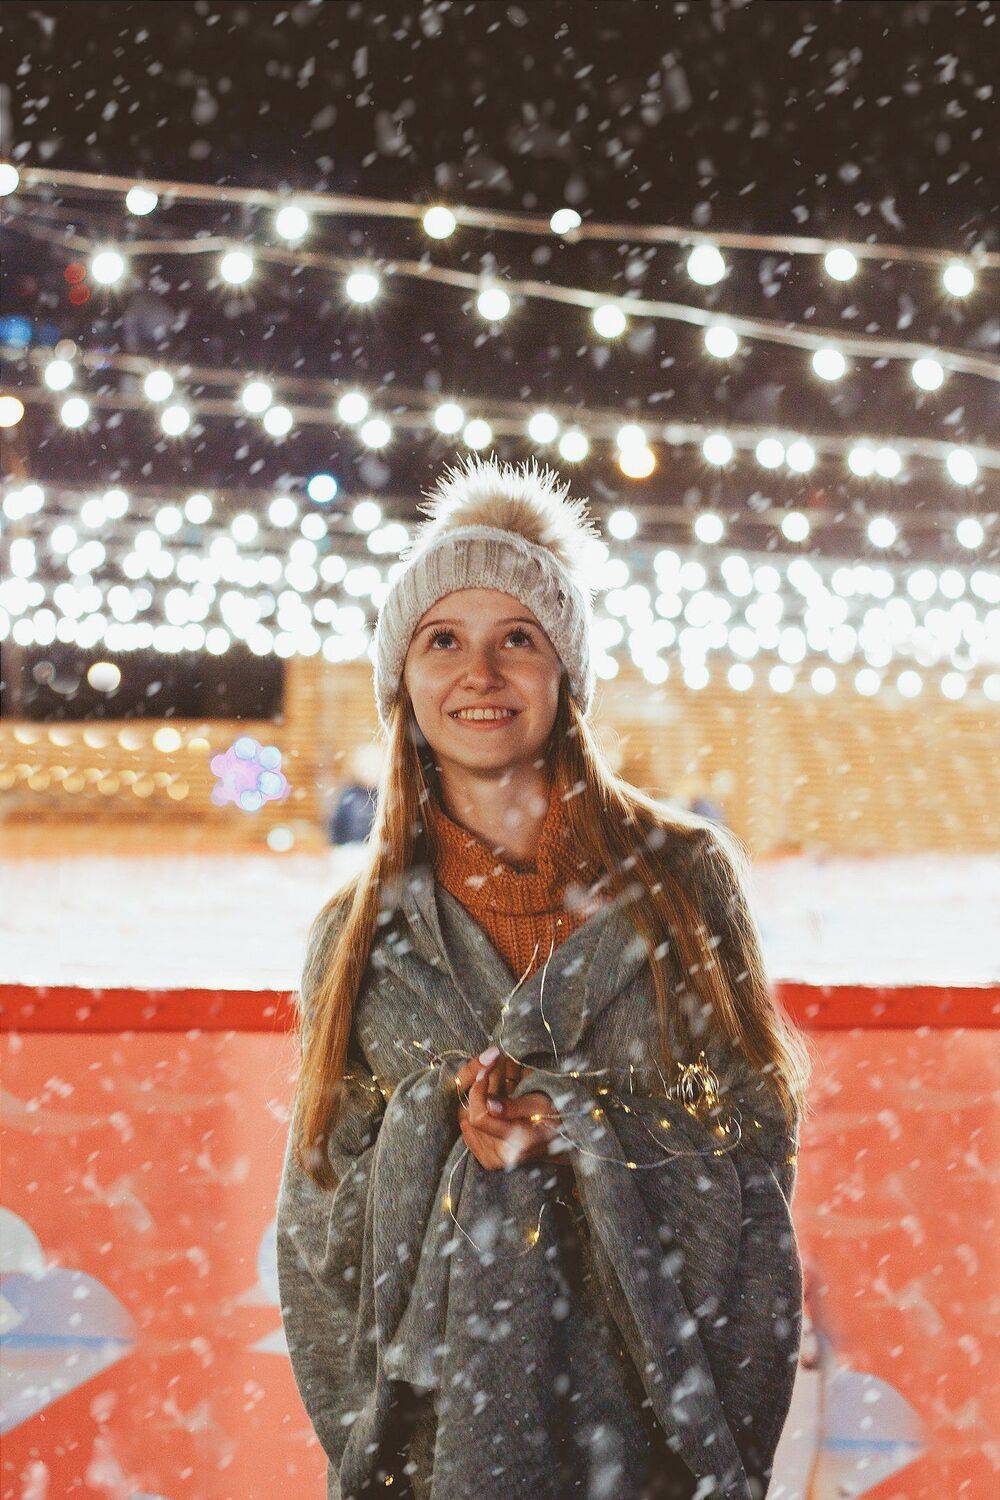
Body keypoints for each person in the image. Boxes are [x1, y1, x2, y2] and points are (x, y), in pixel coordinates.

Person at [276, 453, 812, 1500]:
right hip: (443, 1453)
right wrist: (438, 1126)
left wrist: (581, 1130)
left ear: (566, 672)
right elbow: (320, 1221)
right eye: (443, 640)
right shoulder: (356, 935)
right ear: (403, 683)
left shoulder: (679, 884)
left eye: (517, 638)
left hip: (647, 1446)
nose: (479, 673)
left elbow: (754, 1147)